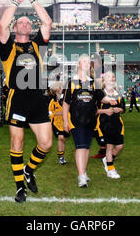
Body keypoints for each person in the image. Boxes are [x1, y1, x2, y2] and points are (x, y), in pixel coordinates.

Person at [0, 0, 53, 203]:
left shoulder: (37, 44)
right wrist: (16, 1)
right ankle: (20, 187)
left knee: (46, 144)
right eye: (21, 21)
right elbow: (2, 24)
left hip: (39, 98)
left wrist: (33, 0)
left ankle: (28, 170)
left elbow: (47, 22)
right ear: (15, 27)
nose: (25, 23)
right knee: (17, 143)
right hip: (18, 99)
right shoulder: (8, 46)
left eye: (28, 22)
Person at [63, 55, 114, 188]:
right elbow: (66, 104)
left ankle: (84, 172)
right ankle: (81, 177)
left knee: (86, 148)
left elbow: (102, 97)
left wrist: (111, 100)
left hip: (90, 120)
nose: (87, 63)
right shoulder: (71, 82)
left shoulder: (93, 82)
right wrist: (65, 121)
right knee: (80, 147)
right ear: (79, 64)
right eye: (84, 61)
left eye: (88, 62)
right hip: (76, 120)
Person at [97, 72, 126, 179]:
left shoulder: (118, 93)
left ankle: (107, 159)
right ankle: (111, 169)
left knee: (119, 146)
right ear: (104, 80)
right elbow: (94, 110)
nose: (112, 78)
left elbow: (123, 108)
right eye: (109, 76)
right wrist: (105, 111)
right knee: (109, 145)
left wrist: (120, 109)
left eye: (113, 76)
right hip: (104, 123)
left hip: (117, 123)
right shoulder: (100, 93)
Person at [48, 81, 69, 165]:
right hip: (56, 123)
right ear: (55, 89)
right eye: (59, 87)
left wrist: (64, 113)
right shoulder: (52, 101)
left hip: (66, 122)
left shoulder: (66, 99)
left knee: (63, 139)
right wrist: (55, 114)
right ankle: (61, 158)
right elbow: (49, 113)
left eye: (61, 87)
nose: (61, 89)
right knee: (60, 138)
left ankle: (62, 155)